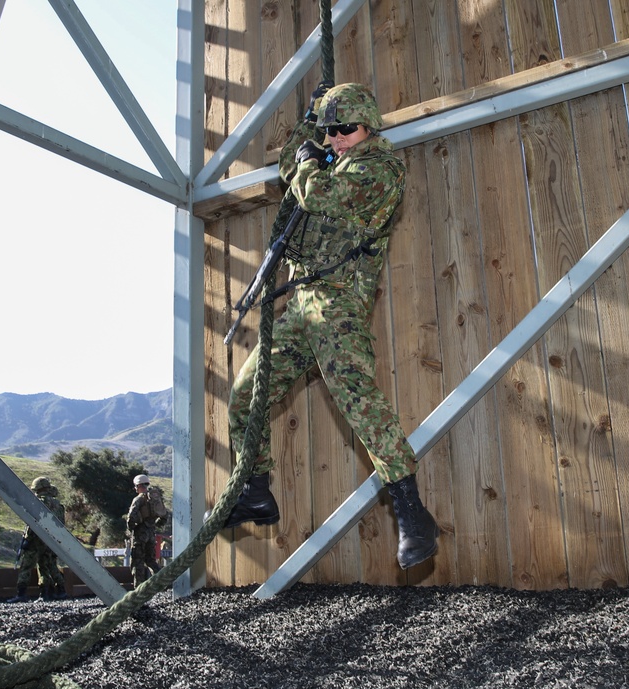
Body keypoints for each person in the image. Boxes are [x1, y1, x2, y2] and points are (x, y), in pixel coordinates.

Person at [219, 82, 440, 570]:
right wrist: (308, 120)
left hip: (337, 306)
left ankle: (412, 512)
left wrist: (306, 158)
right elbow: (289, 168)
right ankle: (255, 491)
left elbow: (316, 192)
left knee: (358, 401)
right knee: (244, 395)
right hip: (300, 305)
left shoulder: (380, 169)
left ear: (369, 126)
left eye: (345, 129)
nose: (336, 138)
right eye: (331, 131)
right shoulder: (330, 158)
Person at [8, 476, 66, 602]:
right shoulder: (57, 504)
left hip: (36, 540)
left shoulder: (38, 502)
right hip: (52, 541)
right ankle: (49, 593)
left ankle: (21, 593)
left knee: (26, 566)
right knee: (46, 566)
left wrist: (27, 539)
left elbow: (33, 522)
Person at [125, 474, 166, 587]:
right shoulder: (155, 499)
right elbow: (164, 515)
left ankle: (138, 590)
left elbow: (131, 517)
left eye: (136, 486)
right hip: (151, 533)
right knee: (151, 560)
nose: (135, 488)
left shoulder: (138, 499)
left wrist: (131, 530)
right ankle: (162, 582)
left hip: (139, 534)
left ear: (138, 485)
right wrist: (155, 525)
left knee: (137, 562)